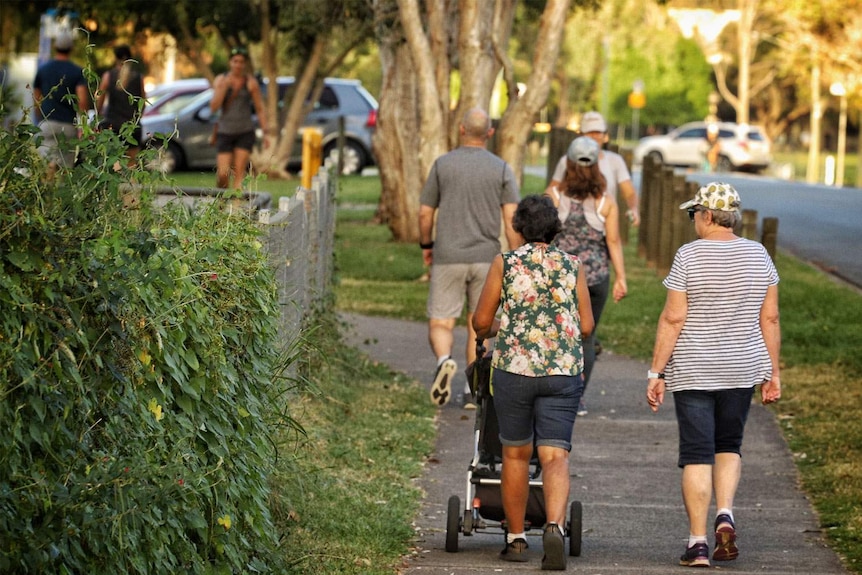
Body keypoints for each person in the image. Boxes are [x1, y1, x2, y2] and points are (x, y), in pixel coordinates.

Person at [645, 182, 781, 568]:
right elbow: (769, 317)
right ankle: (725, 513)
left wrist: (657, 371)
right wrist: (773, 372)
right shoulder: (759, 255)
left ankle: (698, 543)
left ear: (706, 215)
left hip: (693, 368)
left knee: (696, 453)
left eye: (694, 214)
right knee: (728, 444)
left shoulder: (688, 256)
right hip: (741, 367)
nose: (693, 221)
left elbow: (674, 317)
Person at [472, 195, 594, 570]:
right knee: (555, 455)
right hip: (562, 372)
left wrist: (502, 326)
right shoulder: (572, 265)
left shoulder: (505, 264)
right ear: (555, 229)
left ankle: (516, 538)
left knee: (515, 454)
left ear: (519, 228)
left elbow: (481, 322)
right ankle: (554, 527)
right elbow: (586, 326)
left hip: (515, 370)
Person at [419, 107, 520, 409]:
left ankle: (443, 360)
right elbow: (511, 215)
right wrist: (515, 257)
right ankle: (472, 389)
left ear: (461, 129)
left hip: (448, 253)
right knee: (481, 324)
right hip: (486, 258)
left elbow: (425, 212)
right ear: (489, 133)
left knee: (441, 319)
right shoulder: (501, 168)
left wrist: (427, 243)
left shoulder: (442, 165)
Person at [546, 136, 627, 415]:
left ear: (567, 163)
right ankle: (577, 397)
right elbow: (613, 241)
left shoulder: (554, 197)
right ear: (596, 167)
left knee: (557, 334)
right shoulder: (606, 202)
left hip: (559, 278)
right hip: (595, 277)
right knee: (586, 338)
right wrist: (621, 277)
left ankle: (555, 391)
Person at [545, 111, 640, 226]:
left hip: (604, 226)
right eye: (589, 133)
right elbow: (551, 192)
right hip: (569, 226)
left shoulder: (615, 161)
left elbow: (629, 192)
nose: (594, 137)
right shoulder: (566, 161)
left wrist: (634, 209)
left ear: (605, 136)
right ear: (580, 135)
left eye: (598, 132)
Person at [210, 46, 269, 190]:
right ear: (230, 63)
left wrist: (266, 133)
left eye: (241, 62)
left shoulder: (250, 82)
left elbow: (260, 109)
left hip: (244, 131)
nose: (238, 65)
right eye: (235, 61)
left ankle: (236, 211)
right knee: (223, 174)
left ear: (245, 64)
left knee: (239, 174)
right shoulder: (221, 80)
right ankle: (221, 203)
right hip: (225, 131)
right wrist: (223, 88)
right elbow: (213, 107)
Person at [32, 29, 90, 173]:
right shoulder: (77, 71)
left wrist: (40, 117)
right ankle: (59, 192)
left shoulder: (43, 70)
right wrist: (83, 124)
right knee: (65, 169)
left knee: (47, 165)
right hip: (67, 126)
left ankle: (47, 191)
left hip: (47, 123)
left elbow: (36, 98)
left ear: (54, 47)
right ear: (71, 49)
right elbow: (82, 100)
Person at [96, 44, 146, 167]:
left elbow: (99, 98)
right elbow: (143, 101)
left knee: (113, 163)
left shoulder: (108, 76)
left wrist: (98, 114)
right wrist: (137, 117)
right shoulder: (138, 77)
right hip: (132, 126)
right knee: (132, 165)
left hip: (112, 125)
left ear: (115, 58)